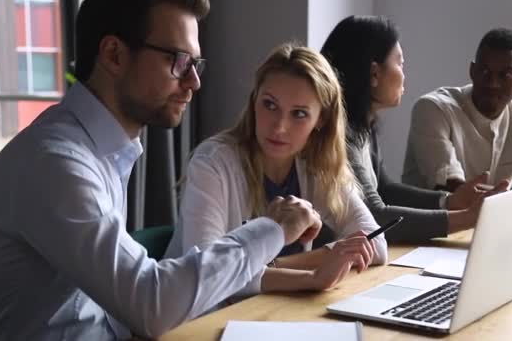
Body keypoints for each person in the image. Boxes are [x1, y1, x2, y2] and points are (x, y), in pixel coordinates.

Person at [0, 0, 326, 340]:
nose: (194, 82)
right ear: (114, 55)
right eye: (179, 61)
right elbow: (150, 304)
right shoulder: (56, 163)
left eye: (195, 64)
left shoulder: (102, 150)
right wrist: (273, 228)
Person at [165, 43, 387, 298]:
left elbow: (376, 242)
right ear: (254, 100)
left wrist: (275, 267)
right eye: (270, 105)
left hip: (269, 312)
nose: (279, 127)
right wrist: (314, 274)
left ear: (321, 120)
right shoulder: (213, 163)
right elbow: (208, 275)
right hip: (197, 319)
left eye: (299, 114)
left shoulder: (316, 163)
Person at [320, 15, 507, 242]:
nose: (404, 73)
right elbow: (374, 218)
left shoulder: (361, 124)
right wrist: (467, 218)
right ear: (374, 74)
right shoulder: (336, 133)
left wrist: (449, 201)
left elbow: (384, 188)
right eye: (399, 63)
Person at [402, 27, 512, 213]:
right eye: (485, 71)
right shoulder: (434, 109)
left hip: (486, 228)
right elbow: (458, 192)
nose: (493, 83)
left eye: (506, 75)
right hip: (427, 230)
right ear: (472, 70)